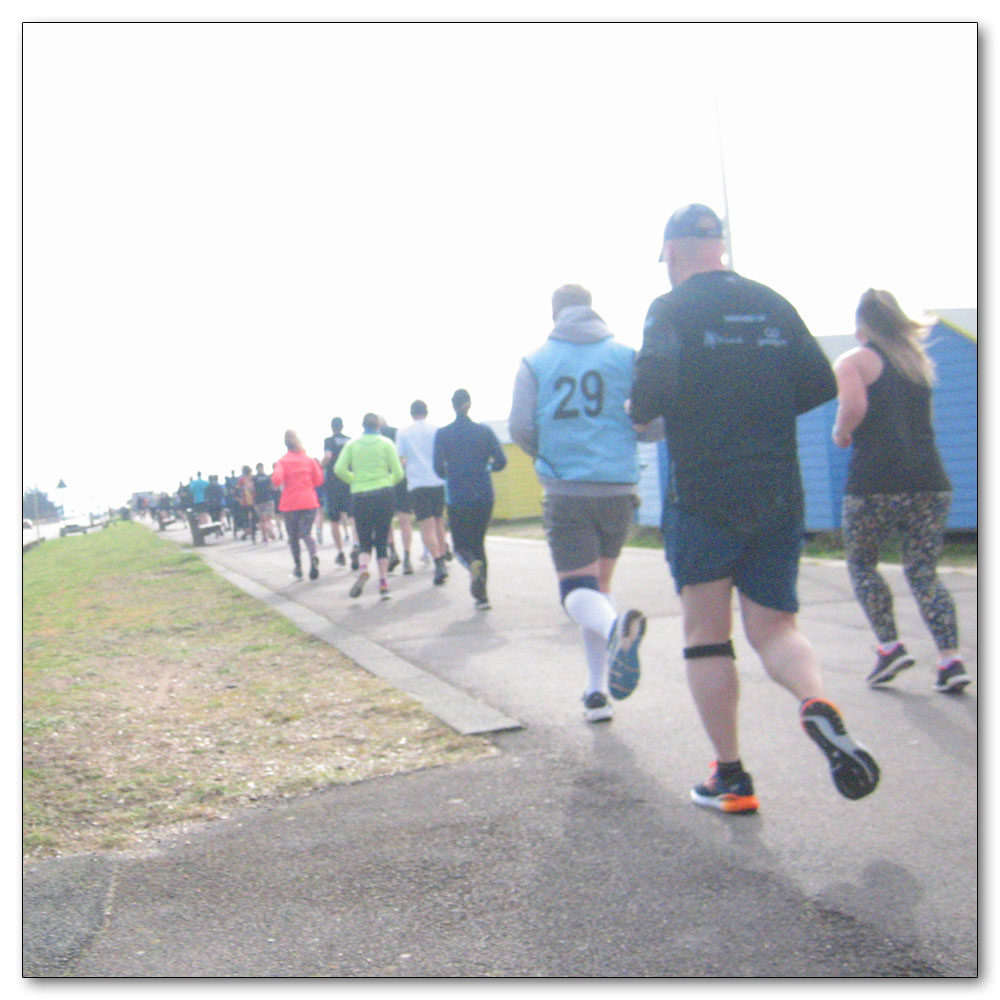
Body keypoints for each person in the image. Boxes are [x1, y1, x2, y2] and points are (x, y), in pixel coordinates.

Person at [630, 203, 880, 813]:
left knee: (707, 636)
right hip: (777, 487)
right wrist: (758, 407)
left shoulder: (670, 309)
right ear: (719, 248)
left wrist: (661, 413)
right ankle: (815, 701)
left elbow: (648, 395)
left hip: (704, 490)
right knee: (775, 628)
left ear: (673, 252)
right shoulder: (772, 301)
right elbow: (820, 382)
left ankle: (733, 777)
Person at [510, 284, 651, 723]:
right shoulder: (627, 356)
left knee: (577, 594)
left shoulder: (535, 362)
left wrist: (550, 454)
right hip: (618, 489)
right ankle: (596, 693)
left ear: (554, 314)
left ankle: (614, 634)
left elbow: (520, 427)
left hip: (567, 490)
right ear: (592, 309)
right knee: (598, 591)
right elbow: (651, 423)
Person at [832, 289, 970, 694]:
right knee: (923, 571)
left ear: (862, 325)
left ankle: (890, 646)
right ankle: (950, 659)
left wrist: (841, 432)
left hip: (875, 484)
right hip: (929, 482)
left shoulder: (853, 361)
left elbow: (854, 408)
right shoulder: (917, 363)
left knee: (862, 564)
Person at [433, 389, 507, 610]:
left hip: (458, 494)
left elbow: (437, 468)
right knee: (478, 542)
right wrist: (487, 467)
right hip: (483, 493)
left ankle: (471, 566)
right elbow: (501, 461)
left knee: (460, 546)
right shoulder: (484, 431)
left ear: (452, 406)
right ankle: (482, 597)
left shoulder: (443, 434)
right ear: (470, 404)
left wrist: (451, 474)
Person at [334, 413, 406, 600]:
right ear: (378, 426)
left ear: (362, 425)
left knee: (365, 540)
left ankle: (363, 569)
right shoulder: (386, 443)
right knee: (382, 540)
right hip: (384, 494)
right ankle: (383, 584)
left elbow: (339, 469)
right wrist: (386, 481)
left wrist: (355, 480)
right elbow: (398, 473)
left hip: (360, 495)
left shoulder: (352, 445)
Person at [395, 400, 450, 586]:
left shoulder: (403, 433)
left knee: (426, 526)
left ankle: (437, 561)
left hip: (417, 483)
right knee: (438, 521)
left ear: (411, 413)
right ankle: (442, 555)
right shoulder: (437, 430)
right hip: (437, 480)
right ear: (427, 412)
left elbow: (400, 459)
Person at [272, 430, 324, 581]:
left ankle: (298, 568)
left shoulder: (282, 461)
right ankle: (313, 555)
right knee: (306, 533)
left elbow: (277, 480)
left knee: (293, 537)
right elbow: (319, 480)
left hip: (290, 504)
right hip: (309, 501)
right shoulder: (309, 460)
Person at [378, 415, 415, 574]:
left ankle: (392, 551)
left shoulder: (375, 437)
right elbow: (406, 457)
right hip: (401, 478)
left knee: (386, 521)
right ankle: (407, 558)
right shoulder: (398, 433)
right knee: (405, 520)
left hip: (384, 481)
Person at [322, 417, 356, 566]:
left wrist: (321, 465)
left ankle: (340, 552)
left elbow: (328, 457)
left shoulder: (328, 441)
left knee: (334, 520)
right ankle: (356, 543)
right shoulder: (350, 441)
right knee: (351, 516)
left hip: (333, 482)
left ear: (332, 427)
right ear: (342, 426)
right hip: (348, 481)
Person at [253, 462, 279, 542]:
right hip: (268, 499)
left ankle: (265, 537)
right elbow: (273, 488)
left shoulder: (254, 478)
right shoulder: (268, 477)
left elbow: (251, 489)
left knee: (262, 520)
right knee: (267, 519)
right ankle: (270, 532)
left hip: (258, 501)